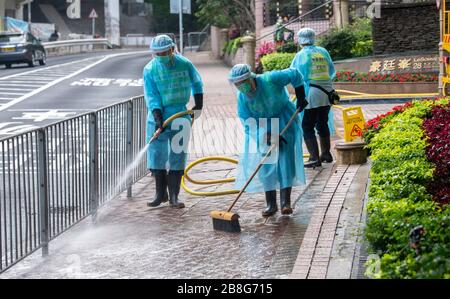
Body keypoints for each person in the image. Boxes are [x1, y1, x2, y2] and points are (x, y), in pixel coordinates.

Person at [229, 64, 308, 217]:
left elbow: (294, 74)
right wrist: (266, 136)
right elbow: (247, 122)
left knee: (285, 161)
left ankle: (286, 203)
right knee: (266, 163)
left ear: (250, 77)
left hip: (284, 118)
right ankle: (271, 204)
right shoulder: (243, 99)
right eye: (237, 84)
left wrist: (301, 95)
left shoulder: (271, 79)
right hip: (264, 128)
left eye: (243, 82)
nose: (241, 87)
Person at [143, 35, 204, 209]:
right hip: (158, 117)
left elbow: (197, 83)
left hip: (180, 113)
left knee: (178, 154)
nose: (160, 56)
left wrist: (198, 104)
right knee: (156, 155)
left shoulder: (185, 64)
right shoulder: (149, 69)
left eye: (163, 52)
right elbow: (152, 95)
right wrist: (157, 118)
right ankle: (160, 194)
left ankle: (174, 196)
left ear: (172, 49)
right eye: (157, 53)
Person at [290, 28, 336, 168]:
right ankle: (326, 154)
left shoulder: (301, 55)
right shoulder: (323, 51)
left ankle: (314, 158)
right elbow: (331, 71)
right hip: (328, 93)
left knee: (307, 126)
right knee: (322, 123)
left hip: (312, 93)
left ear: (300, 39)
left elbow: (295, 75)